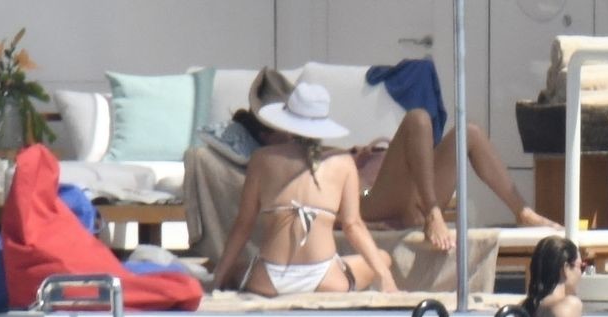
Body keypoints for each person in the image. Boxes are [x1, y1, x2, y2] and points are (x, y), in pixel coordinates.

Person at [211, 83, 398, 296]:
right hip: (326, 278)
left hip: (269, 279)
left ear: (287, 123)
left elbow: (243, 225)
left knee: (235, 270)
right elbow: (353, 225)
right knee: (384, 258)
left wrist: (218, 279)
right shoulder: (343, 162)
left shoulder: (262, 159)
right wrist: (386, 278)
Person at [357, 106, 558, 252]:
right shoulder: (347, 159)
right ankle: (432, 213)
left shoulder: (402, 151)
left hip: (416, 196)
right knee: (417, 118)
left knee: (469, 132)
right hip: (370, 195)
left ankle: (523, 212)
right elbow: (350, 193)